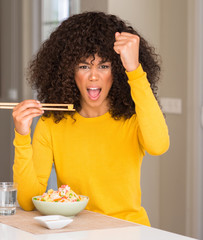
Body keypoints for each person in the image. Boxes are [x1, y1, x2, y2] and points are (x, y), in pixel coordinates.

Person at [11, 11, 169, 226]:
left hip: (129, 230)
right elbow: (29, 202)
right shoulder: (51, 124)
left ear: (117, 72)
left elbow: (159, 146)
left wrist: (134, 70)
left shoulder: (133, 119)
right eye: (84, 66)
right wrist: (22, 136)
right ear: (69, 72)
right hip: (76, 232)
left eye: (104, 66)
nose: (93, 76)